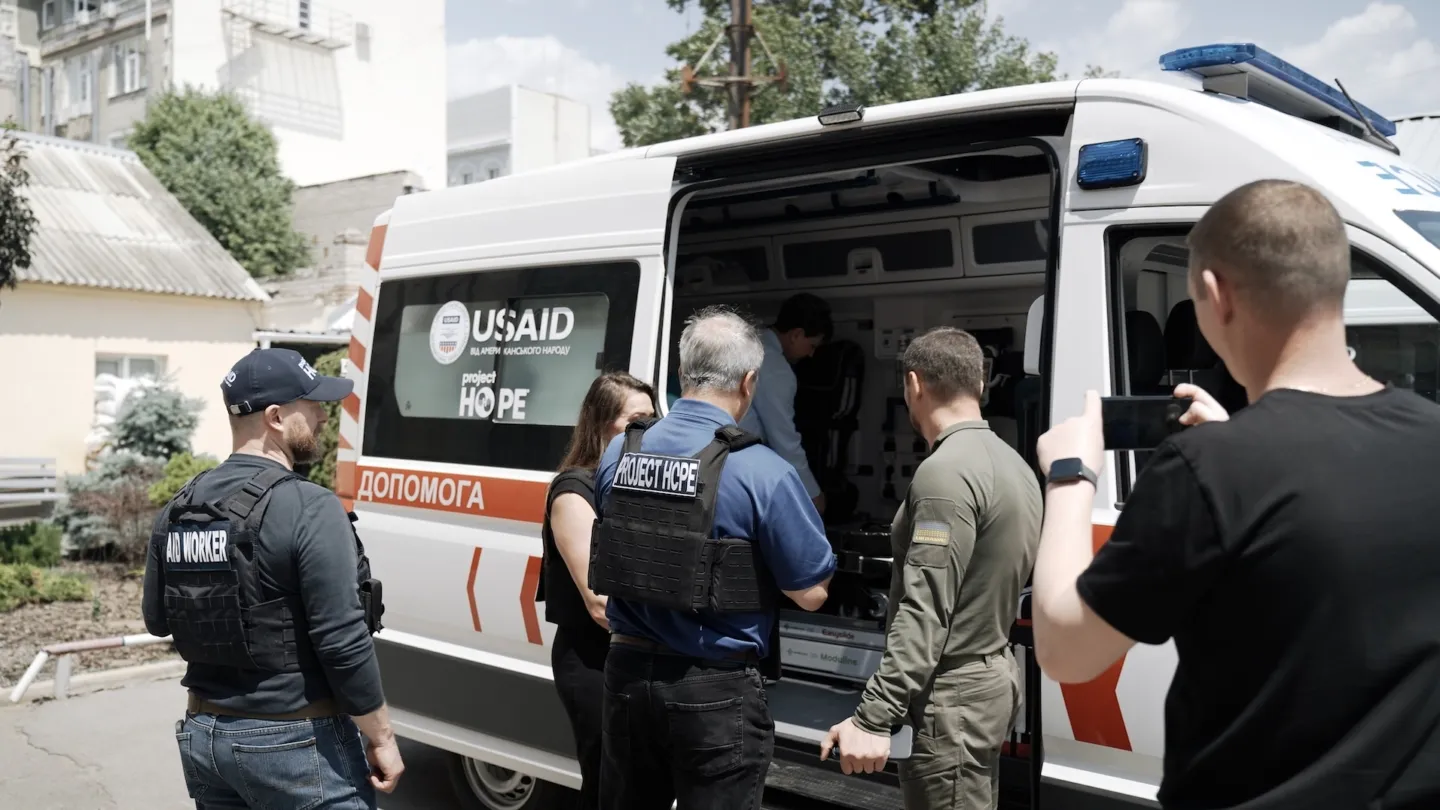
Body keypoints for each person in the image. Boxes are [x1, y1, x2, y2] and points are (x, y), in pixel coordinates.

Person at [1033, 179, 1440, 809]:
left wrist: (1069, 474)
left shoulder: (1209, 471)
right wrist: (1236, 447)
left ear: (1216, 293)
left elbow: (1066, 649)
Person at [590, 305, 837, 810]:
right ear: (748, 382)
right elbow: (811, 593)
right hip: (714, 692)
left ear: (683, 372)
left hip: (627, 677)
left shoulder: (620, 452)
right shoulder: (762, 470)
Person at [143, 348, 402, 809]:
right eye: (313, 405)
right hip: (294, 743)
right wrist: (381, 736)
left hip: (204, 738)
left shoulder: (180, 507)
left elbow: (157, 620)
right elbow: (341, 640)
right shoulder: (309, 506)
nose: (324, 417)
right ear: (276, 417)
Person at [820, 327, 1042, 809]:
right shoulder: (1015, 465)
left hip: (952, 695)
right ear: (979, 384)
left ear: (914, 384)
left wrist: (874, 717)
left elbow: (926, 607)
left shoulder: (944, 472)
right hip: (990, 677)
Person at [539, 371, 657, 809]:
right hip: (594, 660)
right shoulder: (575, 490)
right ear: (603, 423)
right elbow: (600, 602)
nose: (651, 429)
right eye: (638, 420)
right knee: (608, 783)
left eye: (655, 418)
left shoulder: (638, 485)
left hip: (634, 656)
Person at [738, 292, 831, 514]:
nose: (811, 354)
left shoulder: (746, 343)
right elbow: (784, 440)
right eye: (812, 345)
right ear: (796, 334)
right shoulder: (775, 367)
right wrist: (812, 493)